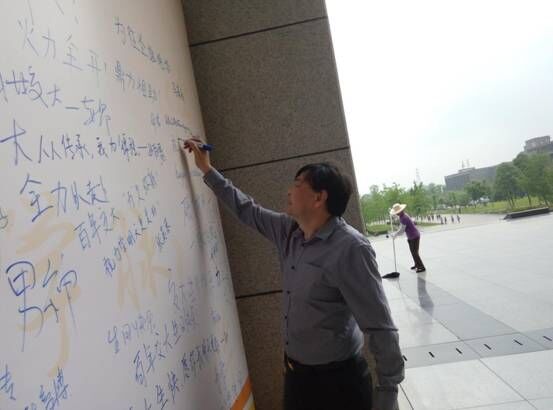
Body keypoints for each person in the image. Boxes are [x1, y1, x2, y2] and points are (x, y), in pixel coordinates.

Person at [181, 139, 404, 410]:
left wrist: (387, 393)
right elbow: (247, 210)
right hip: (297, 378)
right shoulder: (289, 232)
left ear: (319, 198)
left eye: (298, 184)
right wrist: (207, 170)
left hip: (339, 384)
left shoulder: (350, 249)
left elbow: (379, 326)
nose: (289, 190)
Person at [389, 203, 426, 273]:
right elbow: (401, 227)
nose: (396, 214)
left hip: (414, 236)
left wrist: (395, 234)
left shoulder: (404, 218)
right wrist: (391, 215)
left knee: (415, 253)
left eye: (396, 212)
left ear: (400, 211)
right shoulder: (402, 216)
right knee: (413, 252)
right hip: (411, 237)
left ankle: (421, 267)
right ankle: (417, 264)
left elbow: (402, 230)